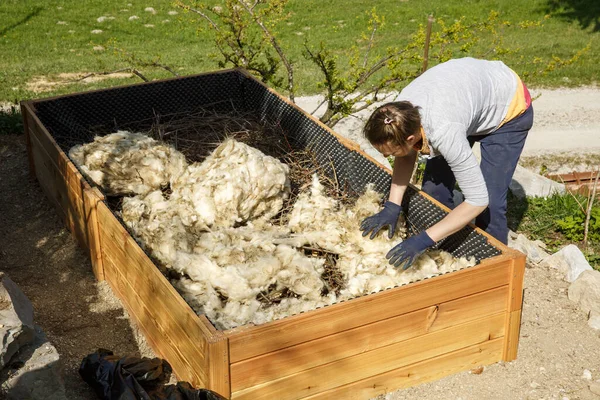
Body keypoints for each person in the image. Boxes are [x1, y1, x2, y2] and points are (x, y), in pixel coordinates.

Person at [359, 57, 533, 270]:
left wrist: (422, 240)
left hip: (508, 109)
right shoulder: (398, 115)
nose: (388, 157)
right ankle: (451, 250)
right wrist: (392, 206)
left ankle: (498, 273)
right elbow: (404, 154)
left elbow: (478, 200)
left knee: (491, 205)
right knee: (435, 192)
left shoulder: (444, 131)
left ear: (411, 139)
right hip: (465, 104)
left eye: (391, 152)